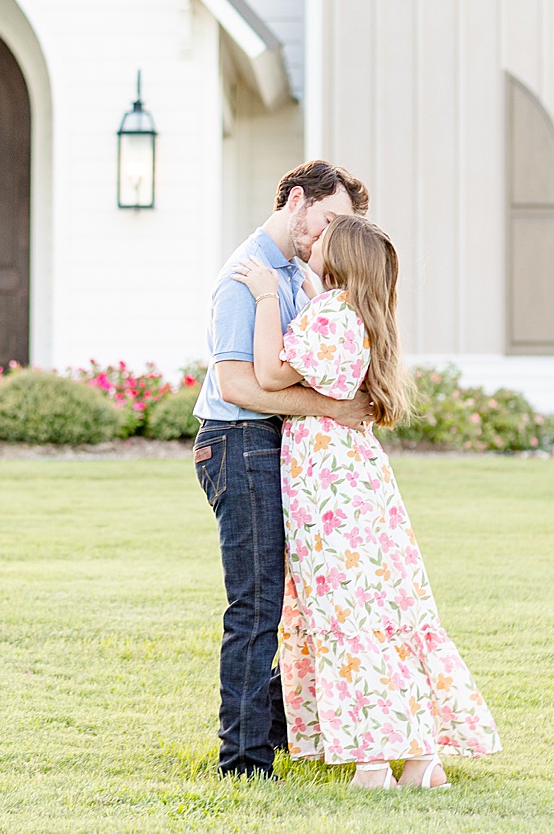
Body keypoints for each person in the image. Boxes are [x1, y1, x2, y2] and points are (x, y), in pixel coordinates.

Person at [232, 212, 500, 790]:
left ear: (342, 258)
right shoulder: (361, 317)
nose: (313, 245)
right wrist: (306, 293)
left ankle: (373, 759)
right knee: (387, 611)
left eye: (323, 241)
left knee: (346, 617)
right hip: (360, 485)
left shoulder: (330, 315)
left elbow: (271, 373)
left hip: (327, 493)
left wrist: (264, 299)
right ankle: (419, 756)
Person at [193, 160, 374, 781]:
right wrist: (335, 409)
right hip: (239, 443)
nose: (328, 238)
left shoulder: (298, 275)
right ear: (297, 199)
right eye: (327, 221)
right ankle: (242, 760)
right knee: (257, 603)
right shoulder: (244, 277)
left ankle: (277, 730)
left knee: (306, 603)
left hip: (278, 449)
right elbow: (239, 383)